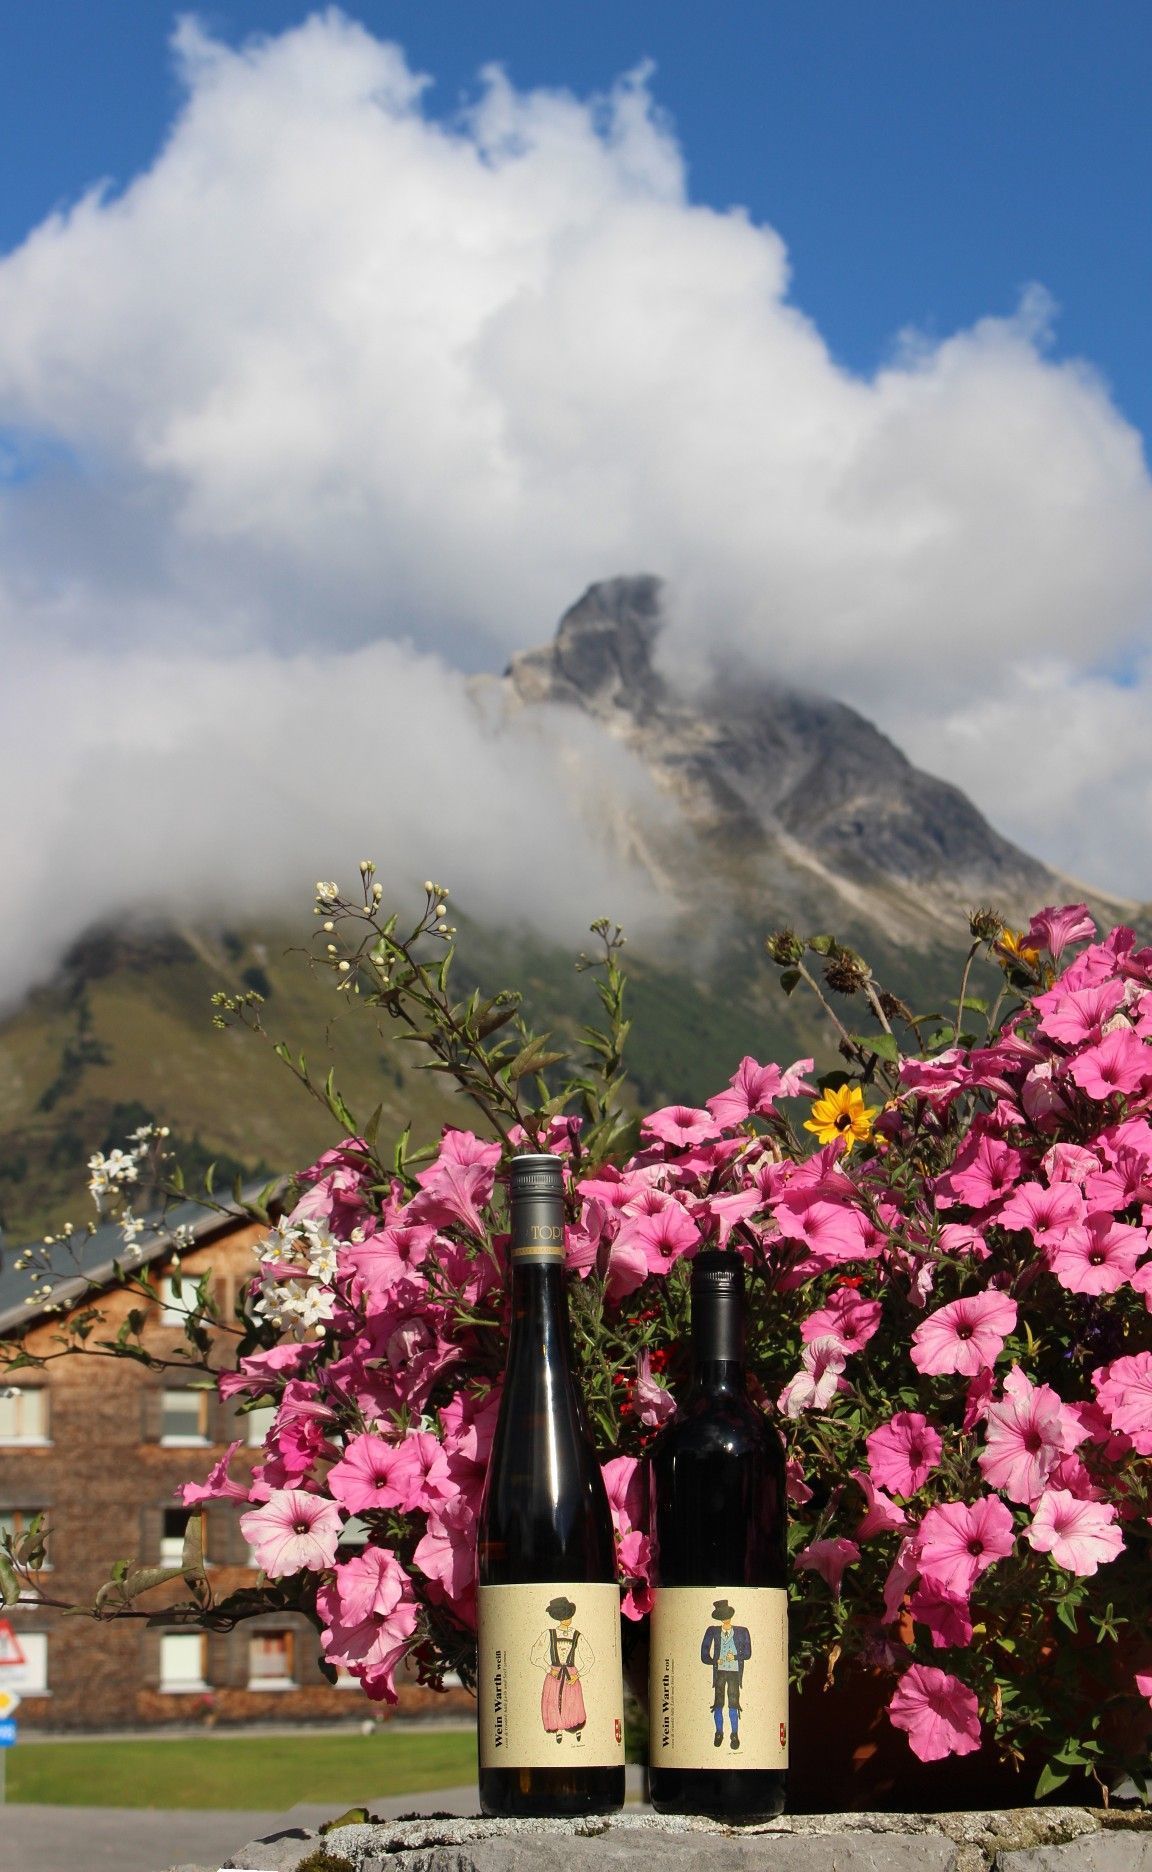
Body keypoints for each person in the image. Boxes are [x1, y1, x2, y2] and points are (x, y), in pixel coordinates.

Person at [530, 1596, 594, 1741]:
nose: (568, 1618)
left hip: (571, 1674)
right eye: (565, 1614)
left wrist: (578, 1675)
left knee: (572, 1703)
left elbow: (590, 1658)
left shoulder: (576, 1635)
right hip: (555, 1674)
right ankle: (557, 1729)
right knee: (553, 1701)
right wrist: (548, 1669)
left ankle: (576, 1729)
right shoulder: (549, 1634)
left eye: (568, 1614)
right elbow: (535, 1656)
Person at [700, 1598, 751, 1749]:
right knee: (718, 1703)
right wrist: (714, 1661)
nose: (725, 1618)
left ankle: (734, 1734)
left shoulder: (742, 1631)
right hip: (720, 1672)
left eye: (726, 1614)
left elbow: (748, 1653)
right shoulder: (713, 1631)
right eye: (722, 1616)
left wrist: (735, 1657)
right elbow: (704, 1650)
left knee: (733, 1703)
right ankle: (719, 1732)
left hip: (734, 1671)